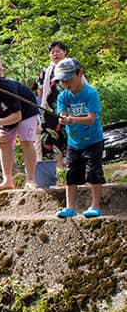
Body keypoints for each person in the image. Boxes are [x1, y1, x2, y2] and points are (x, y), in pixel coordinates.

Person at [54, 58, 105, 219]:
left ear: (80, 73)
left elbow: (91, 118)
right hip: (73, 143)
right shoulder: (63, 96)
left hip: (93, 140)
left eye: (69, 79)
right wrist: (63, 118)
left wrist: (74, 119)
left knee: (93, 172)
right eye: (62, 80)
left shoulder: (91, 93)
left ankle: (95, 205)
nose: (66, 83)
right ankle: (70, 207)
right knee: (71, 173)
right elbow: (62, 113)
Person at [35, 41, 69, 169]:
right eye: (52, 52)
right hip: (49, 111)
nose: (55, 54)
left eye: (58, 51)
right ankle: (58, 170)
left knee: (71, 137)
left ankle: (72, 169)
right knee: (50, 140)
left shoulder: (71, 67)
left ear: (64, 52)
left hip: (69, 108)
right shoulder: (46, 71)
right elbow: (39, 89)